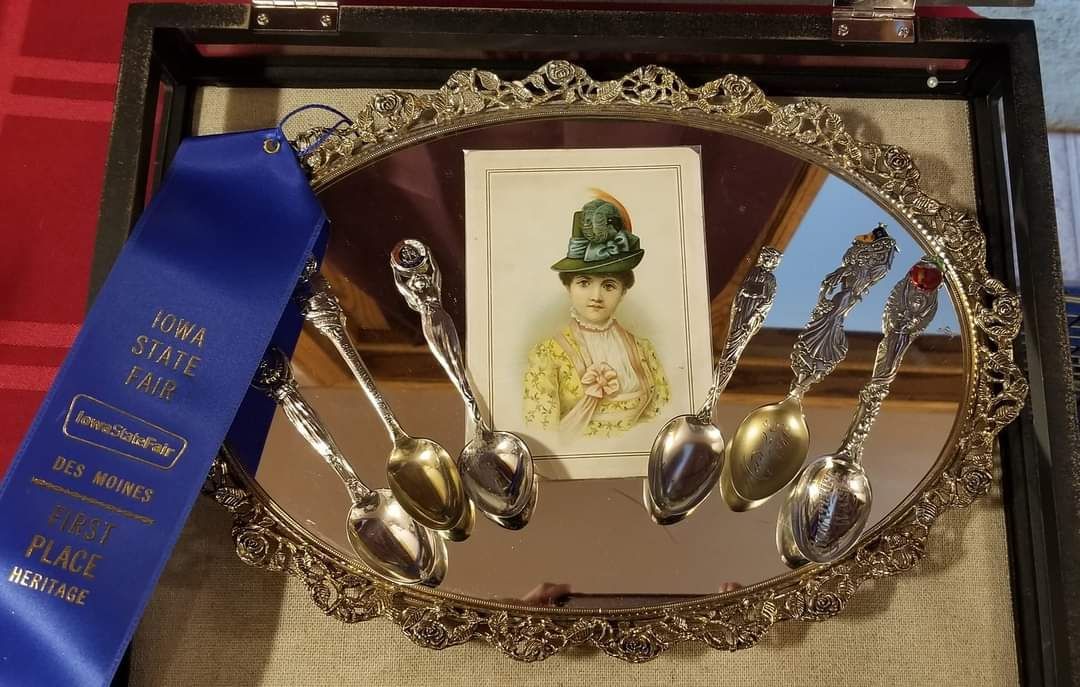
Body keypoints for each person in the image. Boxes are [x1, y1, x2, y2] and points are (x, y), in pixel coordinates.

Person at [523, 192, 670, 438]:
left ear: (623, 292)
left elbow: (662, 419)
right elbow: (541, 433)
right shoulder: (545, 354)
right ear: (568, 287)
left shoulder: (644, 351)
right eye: (584, 283)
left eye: (609, 285)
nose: (596, 296)